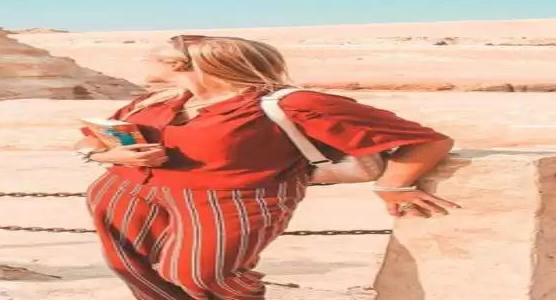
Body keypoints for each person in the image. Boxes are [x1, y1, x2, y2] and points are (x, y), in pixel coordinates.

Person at [72, 35, 459, 300]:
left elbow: (427, 140)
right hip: (125, 191)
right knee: (133, 269)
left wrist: (393, 185)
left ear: (182, 64)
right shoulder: (156, 101)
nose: (144, 62)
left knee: (200, 275)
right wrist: (106, 156)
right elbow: (92, 138)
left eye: (154, 57)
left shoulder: (292, 104)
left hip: (230, 200)